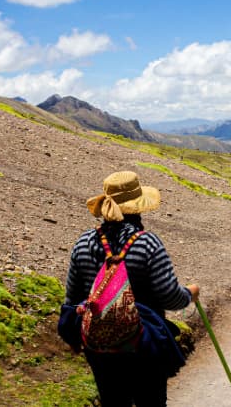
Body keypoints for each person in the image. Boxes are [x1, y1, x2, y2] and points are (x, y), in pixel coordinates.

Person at [63, 171, 200, 406]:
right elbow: (170, 297)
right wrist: (190, 293)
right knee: (151, 401)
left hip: (99, 346)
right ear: (138, 207)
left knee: (113, 401)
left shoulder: (84, 243)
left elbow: (72, 299)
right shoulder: (147, 243)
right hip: (143, 345)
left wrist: (74, 339)